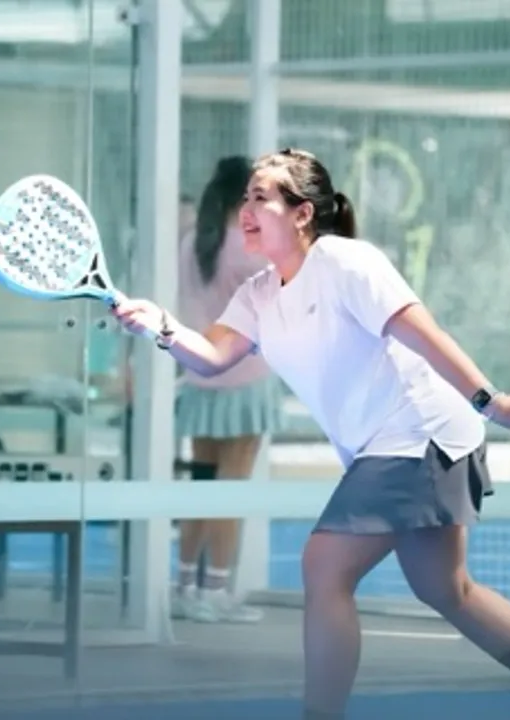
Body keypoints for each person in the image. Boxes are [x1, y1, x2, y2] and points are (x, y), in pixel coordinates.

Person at [111, 148, 510, 719]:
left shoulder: (346, 261)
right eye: (245, 197)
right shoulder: (258, 293)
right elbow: (211, 357)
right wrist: (159, 325)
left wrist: (492, 403)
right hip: (391, 445)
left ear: (302, 213)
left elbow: (424, 334)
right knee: (447, 590)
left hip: (421, 431)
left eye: (261, 197)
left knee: (324, 565)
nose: (246, 209)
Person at [172, 156, 280, 624]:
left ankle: (183, 586)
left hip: (201, 376)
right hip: (246, 378)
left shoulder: (192, 243)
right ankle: (215, 590)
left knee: (201, 487)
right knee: (232, 489)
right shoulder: (249, 248)